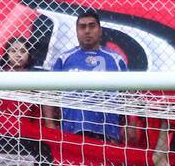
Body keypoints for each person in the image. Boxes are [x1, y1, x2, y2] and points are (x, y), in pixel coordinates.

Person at [46, 10, 129, 141]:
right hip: (72, 130)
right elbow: (48, 92)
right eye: (82, 27)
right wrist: (49, 123)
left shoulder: (116, 60)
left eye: (92, 26)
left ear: (100, 30)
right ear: (77, 31)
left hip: (108, 131)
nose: (87, 31)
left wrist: (130, 124)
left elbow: (128, 95)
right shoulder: (64, 59)